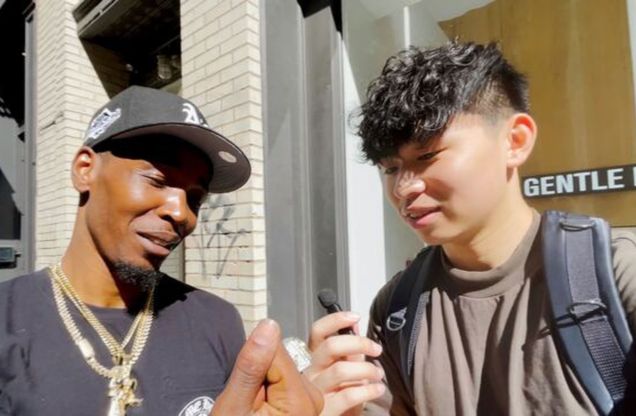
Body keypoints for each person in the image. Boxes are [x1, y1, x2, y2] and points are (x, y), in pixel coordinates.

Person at [307, 41, 636, 415]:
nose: (404, 188)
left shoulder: (614, 271)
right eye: (390, 168)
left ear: (515, 141)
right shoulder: (398, 308)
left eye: (427, 155)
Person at [0, 86, 322, 415]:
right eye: (157, 180)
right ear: (86, 170)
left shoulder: (217, 321)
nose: (181, 213)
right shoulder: (7, 316)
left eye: (195, 198)